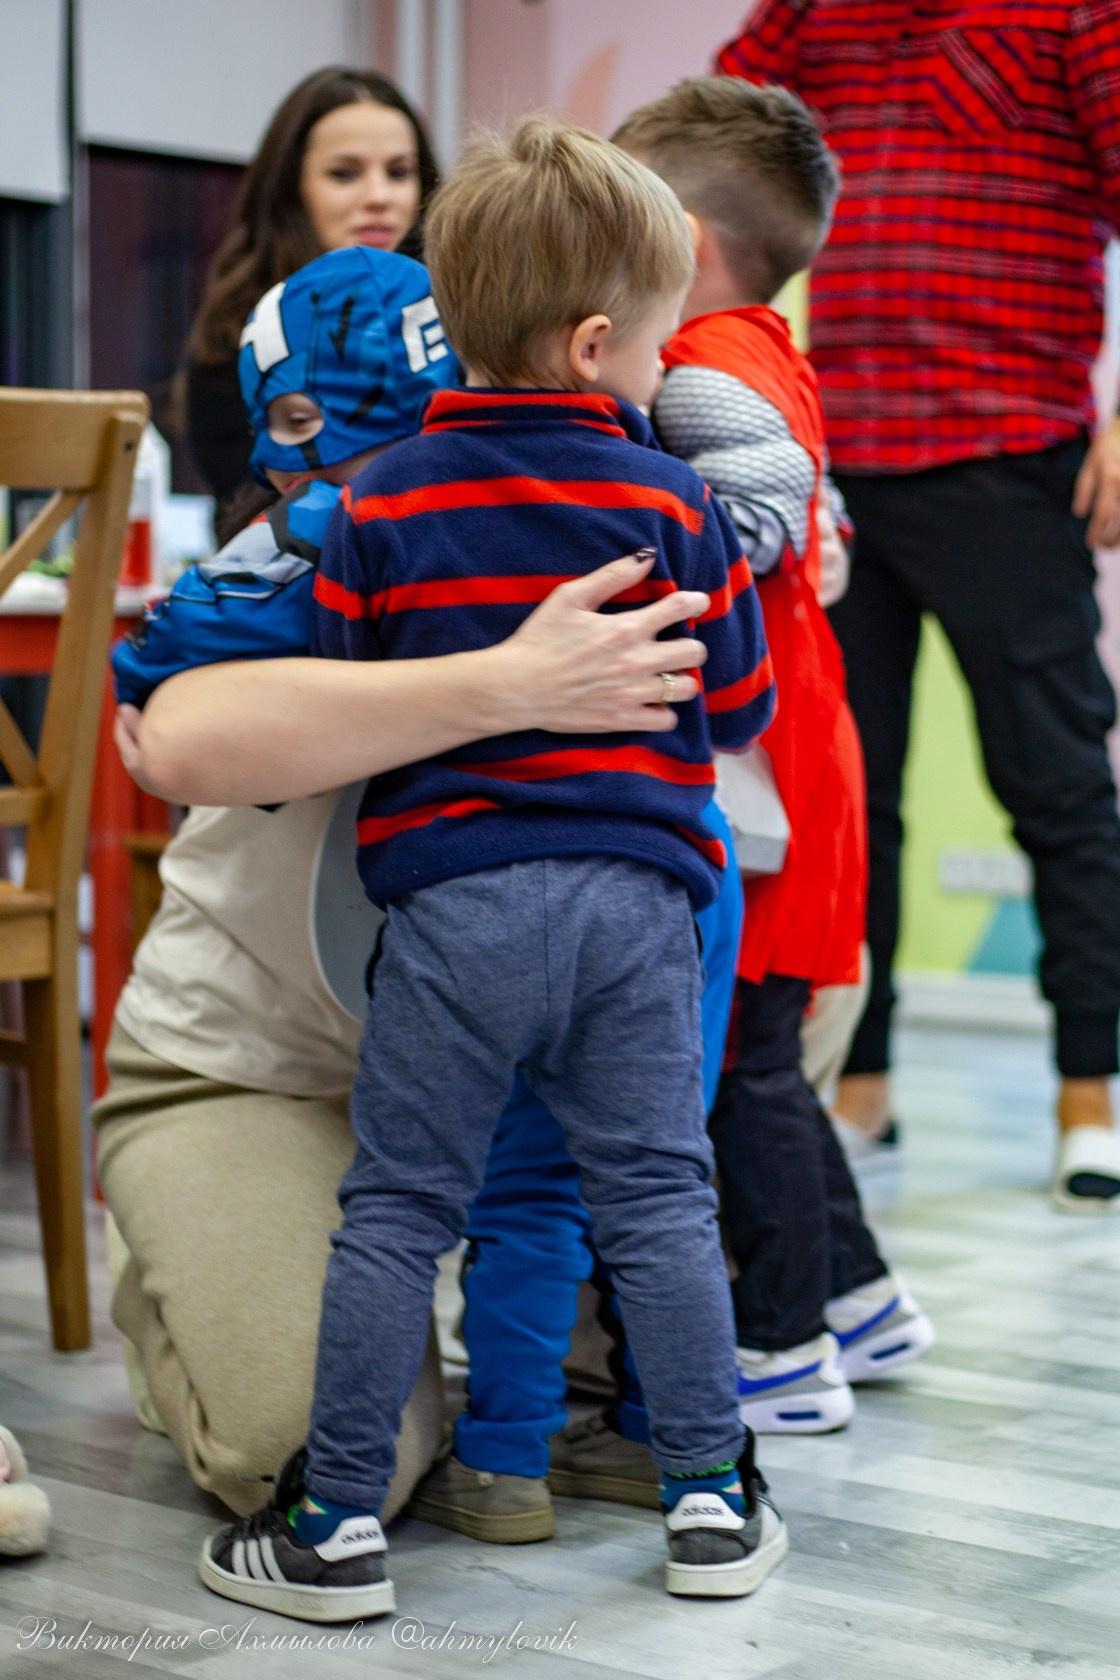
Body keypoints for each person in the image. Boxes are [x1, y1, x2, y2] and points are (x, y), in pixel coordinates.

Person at [198, 116, 787, 1622]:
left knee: (401, 1206)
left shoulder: (383, 498)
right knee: (656, 1197)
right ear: (600, 344)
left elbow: (341, 694)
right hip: (641, 909)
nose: (663, 376)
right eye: (657, 351)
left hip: (452, 906)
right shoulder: (672, 502)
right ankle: (711, 1500)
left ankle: (332, 1524)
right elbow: (736, 701)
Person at [98, 292, 713, 1541]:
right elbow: (175, 737)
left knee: (661, 1296)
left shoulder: (600, 505)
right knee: (316, 1454)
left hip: (508, 1065)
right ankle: (179, 1272)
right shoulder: (307, 553)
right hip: (258, 1071)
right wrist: (508, 683)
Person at [718, 2, 1120, 1209]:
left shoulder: (1075, 12)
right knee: (846, 791)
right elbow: (711, 139)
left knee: (1055, 786)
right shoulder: (815, 13)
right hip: (833, 468)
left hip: (1010, 455)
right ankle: (861, 1081)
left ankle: (1090, 1093)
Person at [614, 73, 934, 1430]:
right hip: (809, 751)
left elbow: (750, 518)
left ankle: (783, 1348)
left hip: (765, 773)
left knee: (746, 1066)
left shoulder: (694, 370)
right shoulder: (764, 348)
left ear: (675, 246)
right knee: (770, 1057)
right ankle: (859, 1297)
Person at [182, 66, 439, 518]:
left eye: (399, 172)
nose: (379, 196)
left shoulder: (460, 318)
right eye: (344, 174)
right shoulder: (232, 339)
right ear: (292, 189)